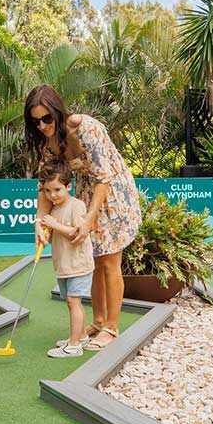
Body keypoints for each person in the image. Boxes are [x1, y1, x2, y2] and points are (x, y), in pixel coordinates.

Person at [23, 84, 141, 350]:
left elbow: (103, 177)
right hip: (87, 193)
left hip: (113, 191)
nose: (42, 125)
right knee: (93, 257)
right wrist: (39, 223)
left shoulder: (86, 127)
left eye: (46, 118)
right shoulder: (47, 142)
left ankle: (111, 327)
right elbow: (44, 185)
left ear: (58, 111)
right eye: (36, 121)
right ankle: (97, 322)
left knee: (109, 260)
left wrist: (88, 220)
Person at [35, 163, 93, 358]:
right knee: (72, 302)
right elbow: (57, 237)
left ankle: (74, 346)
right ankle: (82, 337)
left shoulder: (76, 206)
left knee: (73, 302)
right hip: (63, 264)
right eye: (47, 191)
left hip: (78, 264)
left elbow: (78, 233)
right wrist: (46, 235)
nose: (52, 195)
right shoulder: (54, 209)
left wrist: (54, 224)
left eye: (57, 190)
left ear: (68, 186)